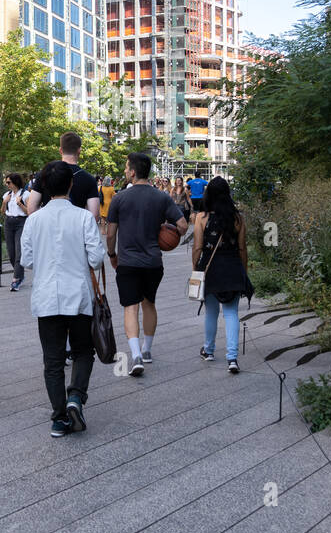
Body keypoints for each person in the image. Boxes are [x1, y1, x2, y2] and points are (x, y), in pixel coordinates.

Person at [20, 161, 105, 437]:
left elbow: (28, 260)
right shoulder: (83, 218)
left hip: (46, 298)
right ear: (71, 185)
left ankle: (59, 419)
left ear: (43, 187)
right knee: (83, 351)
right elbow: (95, 258)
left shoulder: (33, 220)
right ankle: (76, 397)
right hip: (79, 296)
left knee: (53, 360)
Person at [106, 152, 188, 376]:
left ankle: (136, 356)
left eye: (125, 168)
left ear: (133, 172)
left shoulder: (120, 198)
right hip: (153, 262)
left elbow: (111, 233)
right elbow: (182, 225)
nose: (124, 171)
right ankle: (148, 350)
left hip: (128, 262)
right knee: (149, 303)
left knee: (130, 307)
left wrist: (111, 254)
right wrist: (166, 233)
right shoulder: (161, 197)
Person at [191, 177, 250, 373]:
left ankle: (208, 350)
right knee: (232, 312)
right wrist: (244, 271)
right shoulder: (238, 218)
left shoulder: (202, 217)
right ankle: (232, 358)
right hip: (232, 267)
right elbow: (242, 249)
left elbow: (198, 247)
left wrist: (196, 270)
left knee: (211, 312)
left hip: (211, 268)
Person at [24, 131, 100, 220]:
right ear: (79, 151)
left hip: (48, 228)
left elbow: (31, 209)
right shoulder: (89, 179)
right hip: (75, 229)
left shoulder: (45, 174)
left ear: (60, 150)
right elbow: (94, 216)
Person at [2, 173, 30, 291]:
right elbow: (2, 211)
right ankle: (20, 275)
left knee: (19, 252)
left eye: (9, 182)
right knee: (11, 253)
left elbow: (29, 212)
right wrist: (4, 202)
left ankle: (16, 279)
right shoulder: (7, 195)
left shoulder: (26, 194)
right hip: (9, 222)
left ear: (15, 182)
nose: (7, 185)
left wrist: (20, 203)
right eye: (6, 182)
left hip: (21, 222)